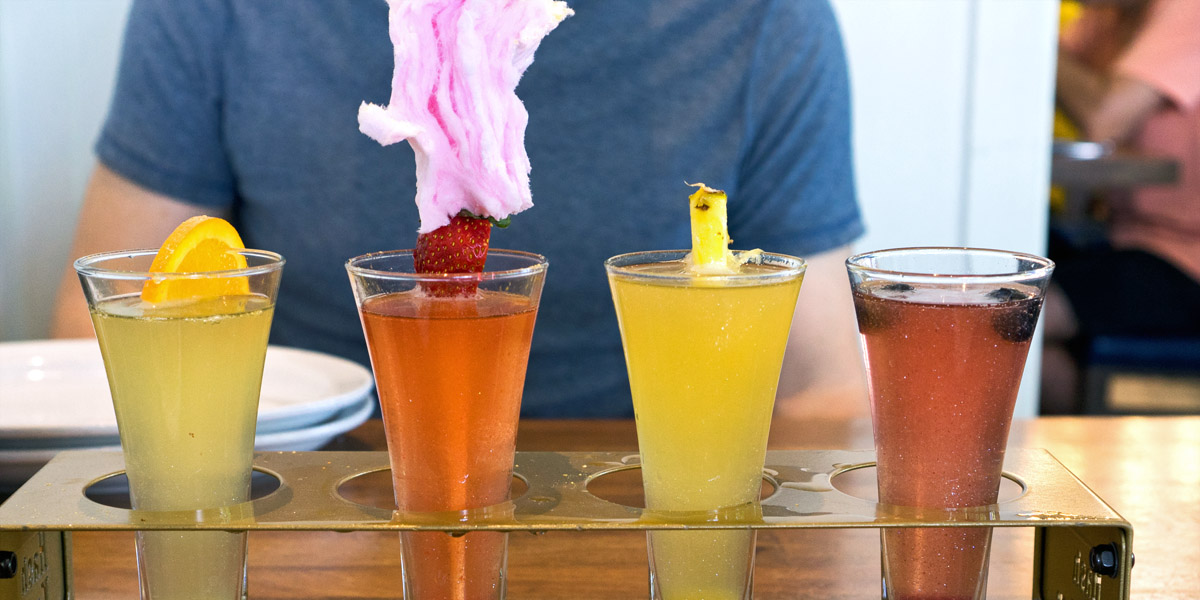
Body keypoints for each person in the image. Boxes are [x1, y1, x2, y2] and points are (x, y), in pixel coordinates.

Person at [52, 0, 868, 420]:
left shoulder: (759, 21)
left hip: (632, 523)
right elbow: (104, 332)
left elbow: (821, 391)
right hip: (297, 514)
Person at [1043, 0, 1200, 412]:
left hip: (1183, 261)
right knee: (1009, 284)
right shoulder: (1112, 14)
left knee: (1020, 313)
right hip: (1123, 239)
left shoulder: (1187, 11)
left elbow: (1101, 116)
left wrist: (1033, 31)